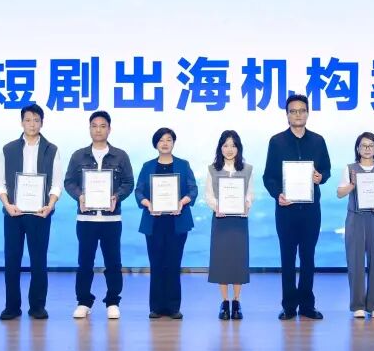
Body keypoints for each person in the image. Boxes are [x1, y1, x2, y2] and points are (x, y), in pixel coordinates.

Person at [263, 94, 331, 320]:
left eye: (302, 110)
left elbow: (327, 169)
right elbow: (268, 176)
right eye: (293, 111)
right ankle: (289, 306)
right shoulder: (276, 142)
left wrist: (321, 177)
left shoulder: (318, 141)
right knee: (288, 258)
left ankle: (308, 306)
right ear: (287, 115)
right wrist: (278, 194)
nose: (298, 114)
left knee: (308, 258)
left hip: (311, 211)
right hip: (286, 210)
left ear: (308, 113)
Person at [63, 110, 134, 319]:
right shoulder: (78, 155)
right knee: (85, 262)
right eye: (94, 126)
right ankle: (84, 302)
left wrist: (116, 197)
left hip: (111, 219)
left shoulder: (120, 156)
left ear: (109, 129)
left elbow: (128, 182)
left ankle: (112, 301)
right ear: (89, 129)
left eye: (103, 126)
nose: (98, 130)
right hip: (86, 219)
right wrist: (80, 196)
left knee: (113, 262)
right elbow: (69, 182)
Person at [0, 103, 63, 320]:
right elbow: (0, 183)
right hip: (13, 212)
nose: (32, 124)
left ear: (42, 123)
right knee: (12, 260)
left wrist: (50, 205)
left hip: (40, 213)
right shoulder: (8, 149)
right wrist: (7, 204)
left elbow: (56, 183)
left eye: (36, 120)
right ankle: (12, 307)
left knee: (38, 260)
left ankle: (37, 306)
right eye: (28, 120)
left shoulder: (51, 149)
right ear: (21, 122)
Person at [135, 127, 197, 319]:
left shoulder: (183, 165)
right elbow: (139, 191)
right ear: (156, 144)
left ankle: (173, 307)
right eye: (161, 140)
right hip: (153, 223)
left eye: (169, 139)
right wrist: (148, 203)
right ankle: (156, 307)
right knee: (156, 264)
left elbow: (193, 189)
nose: (165, 143)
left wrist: (182, 202)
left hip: (177, 222)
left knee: (173, 263)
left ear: (173, 143)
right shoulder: (147, 166)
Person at [336, 132, 374, 319]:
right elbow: (340, 193)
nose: (367, 149)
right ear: (357, 148)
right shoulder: (349, 169)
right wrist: (352, 185)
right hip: (355, 218)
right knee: (355, 261)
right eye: (363, 145)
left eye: (371, 145)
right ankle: (357, 305)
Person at [205, 130, 253, 320]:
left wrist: (246, 204)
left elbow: (250, 194)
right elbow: (208, 195)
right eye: (225, 145)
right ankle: (224, 302)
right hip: (221, 220)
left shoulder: (247, 169)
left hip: (239, 221)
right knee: (222, 262)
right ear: (220, 148)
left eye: (233, 145)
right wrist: (216, 207)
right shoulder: (212, 169)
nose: (229, 149)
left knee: (238, 261)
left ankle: (237, 301)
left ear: (238, 148)